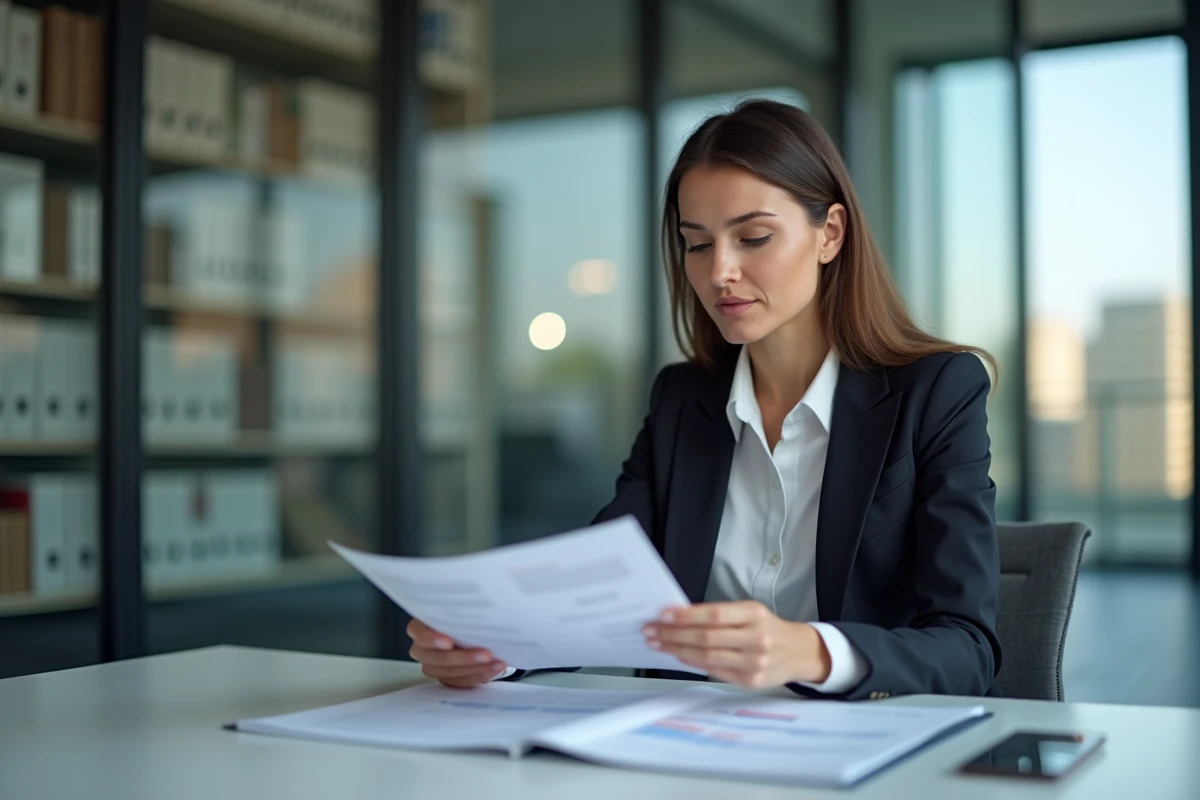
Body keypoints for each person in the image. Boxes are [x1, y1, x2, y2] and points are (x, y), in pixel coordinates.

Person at [407, 99, 1001, 700]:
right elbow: (597, 592)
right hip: (686, 742)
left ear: (830, 234)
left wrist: (810, 651)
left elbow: (967, 647)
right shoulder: (681, 401)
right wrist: (493, 646)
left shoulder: (936, 391)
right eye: (697, 244)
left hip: (861, 752)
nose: (719, 271)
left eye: (754, 237)